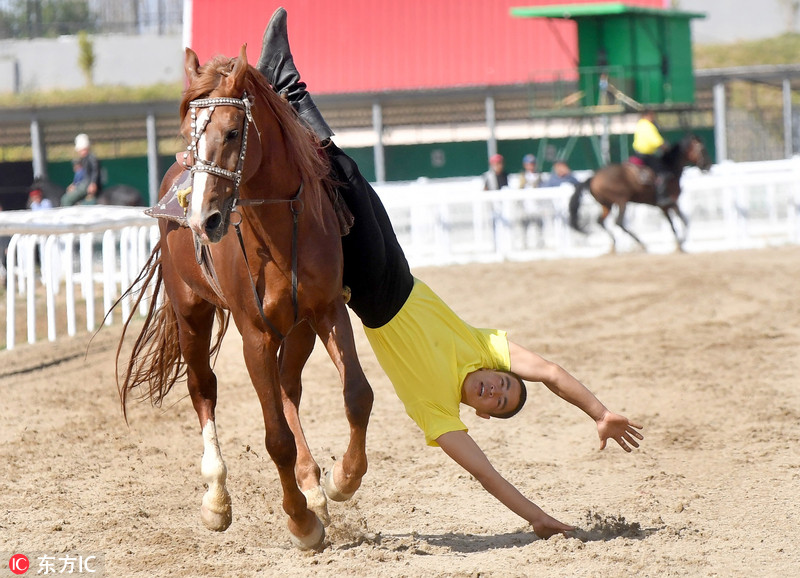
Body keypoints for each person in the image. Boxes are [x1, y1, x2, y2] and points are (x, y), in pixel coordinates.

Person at [259, 8, 644, 539]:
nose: (494, 388)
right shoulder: (485, 348)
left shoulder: (438, 413)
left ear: (482, 414)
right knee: (344, 178)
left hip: (373, 292)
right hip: (398, 267)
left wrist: (543, 521)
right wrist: (598, 412)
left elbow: (489, 476)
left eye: (496, 400)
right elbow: (551, 373)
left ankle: (283, 87)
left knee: (340, 174)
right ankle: (281, 96)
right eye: (505, 385)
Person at [631, 110, 671, 206]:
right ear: (647, 115)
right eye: (652, 115)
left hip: (637, 154)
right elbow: (655, 140)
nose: (653, 117)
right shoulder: (648, 126)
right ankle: (661, 197)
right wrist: (664, 146)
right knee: (663, 173)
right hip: (646, 155)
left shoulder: (640, 124)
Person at [61, 133, 103, 206]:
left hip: (87, 184)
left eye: (80, 150)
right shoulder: (85, 159)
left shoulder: (91, 157)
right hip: (85, 183)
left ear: (85, 149)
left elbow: (95, 171)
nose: (79, 152)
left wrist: (93, 183)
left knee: (66, 200)